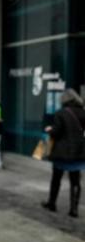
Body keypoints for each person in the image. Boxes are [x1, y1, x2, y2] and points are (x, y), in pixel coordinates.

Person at [42, 89, 85, 218]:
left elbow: (56, 132)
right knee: (75, 180)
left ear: (64, 100)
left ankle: (52, 203)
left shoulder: (60, 114)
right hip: (79, 151)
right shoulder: (83, 113)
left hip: (62, 152)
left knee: (56, 178)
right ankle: (74, 210)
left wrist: (50, 129)